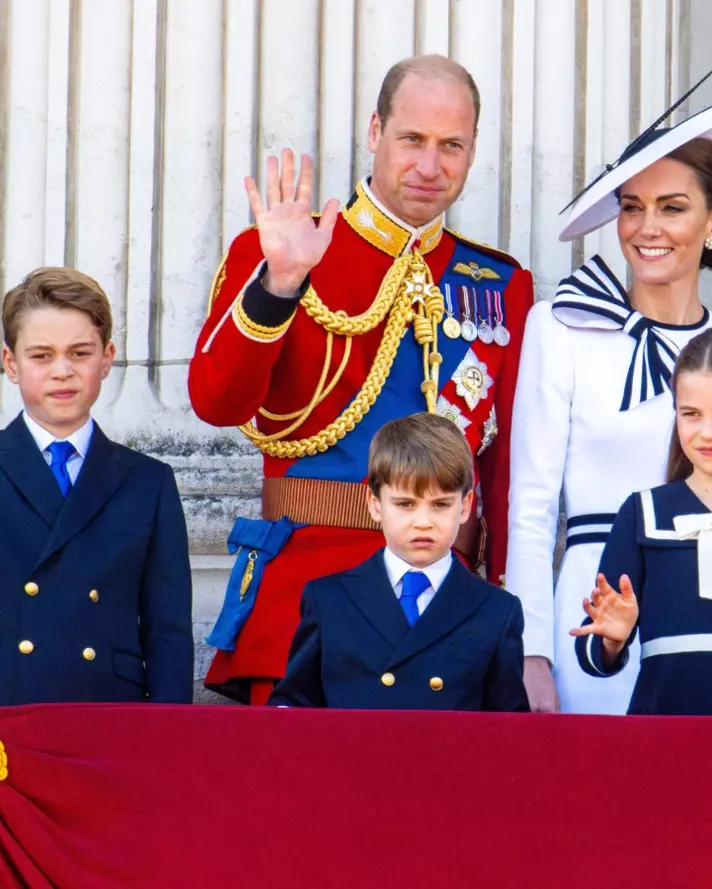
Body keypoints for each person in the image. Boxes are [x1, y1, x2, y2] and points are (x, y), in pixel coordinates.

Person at [189, 54, 534, 704]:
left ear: (473, 150)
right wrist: (281, 284)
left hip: (446, 615)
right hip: (304, 606)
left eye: (451, 146)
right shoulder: (285, 250)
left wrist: (507, 605)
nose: (430, 167)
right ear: (375, 130)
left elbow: (507, 468)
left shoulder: (500, 285)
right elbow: (215, 400)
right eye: (412, 140)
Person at [506, 93, 712, 714]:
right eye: (632, 208)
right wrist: (530, 652)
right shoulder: (559, 329)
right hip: (595, 609)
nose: (647, 228)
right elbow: (529, 508)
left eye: (672, 207)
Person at [0, 268, 194, 705]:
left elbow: (168, 631)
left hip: (107, 713)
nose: (62, 371)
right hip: (9, 709)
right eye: (42, 355)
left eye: (79, 353)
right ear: (11, 363)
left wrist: (169, 741)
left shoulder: (148, 481)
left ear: (106, 358)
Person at [572, 328, 712, 715]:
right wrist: (611, 639)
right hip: (657, 743)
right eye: (691, 414)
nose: (707, 432)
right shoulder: (642, 514)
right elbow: (589, 654)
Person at [268, 414, 529, 711]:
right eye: (405, 504)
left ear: (465, 505)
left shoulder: (497, 611)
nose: (423, 523)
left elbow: (509, 730)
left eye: (441, 505)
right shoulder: (329, 600)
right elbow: (294, 703)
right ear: (375, 504)